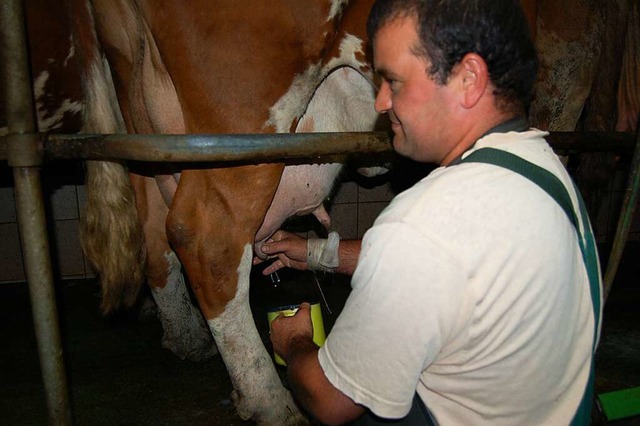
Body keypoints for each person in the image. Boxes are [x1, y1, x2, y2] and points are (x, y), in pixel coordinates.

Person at [256, 0, 602, 424]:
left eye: (394, 82)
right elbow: (447, 265)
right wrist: (314, 252)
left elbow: (330, 401)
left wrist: (294, 344)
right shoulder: (538, 167)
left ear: (469, 79)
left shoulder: (423, 220)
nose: (382, 102)